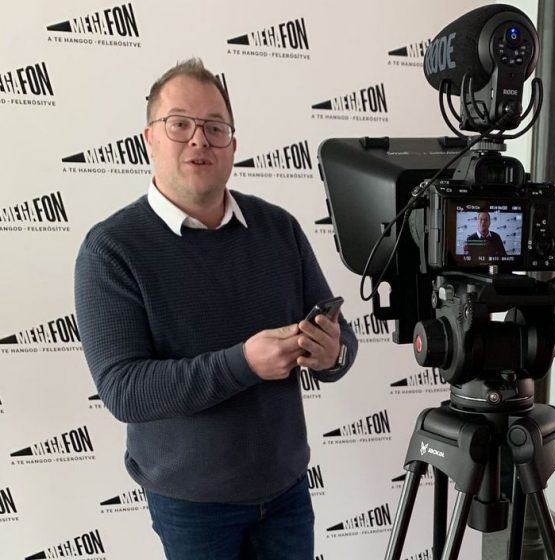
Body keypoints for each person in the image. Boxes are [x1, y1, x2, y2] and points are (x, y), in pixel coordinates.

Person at [74, 58, 357, 560]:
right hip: (192, 506)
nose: (199, 140)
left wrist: (331, 354)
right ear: (149, 138)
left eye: (215, 127)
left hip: (288, 489)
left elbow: (342, 341)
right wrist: (244, 364)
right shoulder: (112, 249)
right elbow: (123, 390)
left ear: (233, 145)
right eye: (179, 124)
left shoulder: (279, 228)